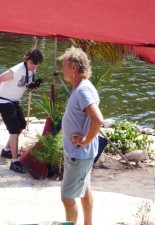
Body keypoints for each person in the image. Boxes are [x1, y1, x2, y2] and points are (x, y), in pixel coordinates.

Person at [58, 46, 104, 225]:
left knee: (67, 198)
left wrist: (85, 140)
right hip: (81, 154)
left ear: (74, 68)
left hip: (79, 154)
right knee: (84, 191)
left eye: (64, 65)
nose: (62, 69)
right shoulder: (82, 87)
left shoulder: (83, 90)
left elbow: (98, 119)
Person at [0, 47, 43, 173]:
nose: (33, 66)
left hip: (13, 100)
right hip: (3, 100)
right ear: (27, 60)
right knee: (14, 129)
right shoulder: (16, 70)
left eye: (36, 64)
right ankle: (14, 161)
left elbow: (25, 84)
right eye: (31, 63)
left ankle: (7, 150)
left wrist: (33, 86)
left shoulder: (32, 70)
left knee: (21, 125)